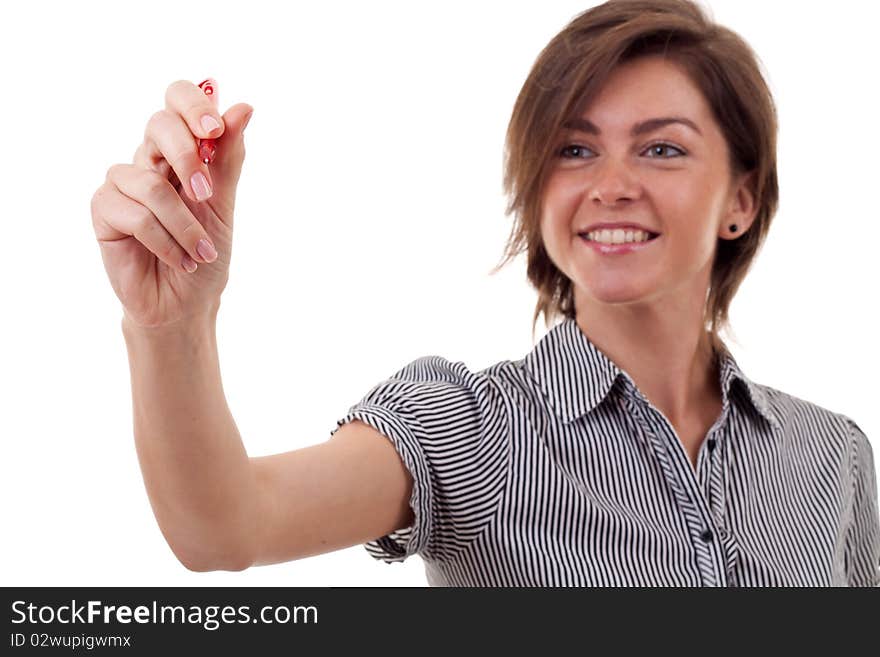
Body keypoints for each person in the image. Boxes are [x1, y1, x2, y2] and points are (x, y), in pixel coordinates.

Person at [90, 0, 879, 586]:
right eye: (575, 149)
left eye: (662, 148)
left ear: (741, 199)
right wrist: (172, 326)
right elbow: (226, 524)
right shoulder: (472, 429)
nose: (610, 186)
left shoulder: (834, 457)